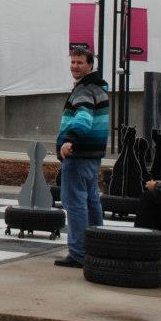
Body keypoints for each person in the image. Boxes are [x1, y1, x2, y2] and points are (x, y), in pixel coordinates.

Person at [54, 48, 109, 269]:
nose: (75, 66)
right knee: (91, 201)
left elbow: (84, 118)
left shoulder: (84, 90)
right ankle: (98, 245)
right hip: (93, 155)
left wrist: (70, 140)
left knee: (75, 203)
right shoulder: (99, 88)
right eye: (73, 62)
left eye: (79, 62)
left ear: (90, 65)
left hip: (79, 155)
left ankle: (78, 253)